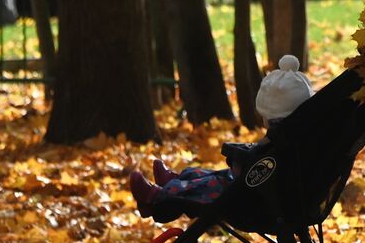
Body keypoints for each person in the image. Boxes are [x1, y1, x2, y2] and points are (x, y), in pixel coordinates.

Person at [128, 56, 313, 220]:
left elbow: (263, 160)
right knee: (207, 175)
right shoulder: (298, 134)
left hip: (259, 196)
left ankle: (159, 197)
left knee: (212, 184)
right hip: (269, 187)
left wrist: (240, 159)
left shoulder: (283, 138)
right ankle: (178, 179)